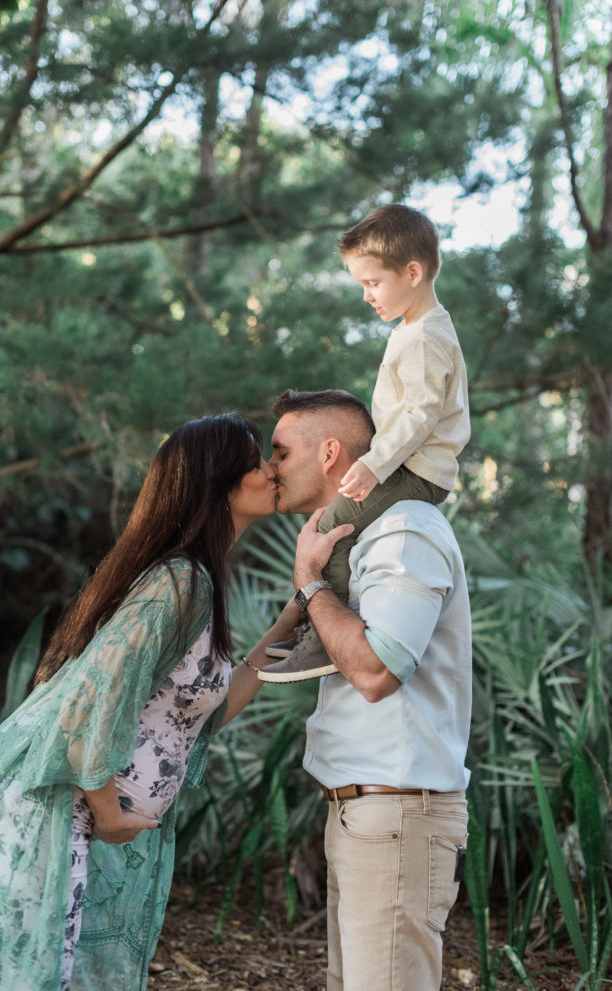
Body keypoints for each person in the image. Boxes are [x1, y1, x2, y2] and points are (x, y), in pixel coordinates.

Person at [0, 413, 293, 991]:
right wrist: (109, 815)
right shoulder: (181, 582)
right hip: (46, 808)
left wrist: (297, 615)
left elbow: (198, 718)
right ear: (215, 483)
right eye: (256, 463)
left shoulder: (195, 581)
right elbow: (88, 701)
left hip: (71, 810)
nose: (272, 471)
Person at [253, 389, 472, 991]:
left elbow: (377, 671)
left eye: (281, 451)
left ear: (329, 453)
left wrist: (310, 584)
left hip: (399, 813)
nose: (271, 466)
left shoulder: (405, 530)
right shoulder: (355, 543)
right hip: (365, 815)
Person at [261, 203, 470, 682]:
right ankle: (319, 631)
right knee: (338, 525)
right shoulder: (415, 330)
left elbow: (420, 414)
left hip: (415, 472)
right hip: (410, 467)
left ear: (412, 272)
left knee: (334, 526)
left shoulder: (423, 338)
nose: (366, 296)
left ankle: (320, 643)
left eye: (372, 283)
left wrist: (375, 462)